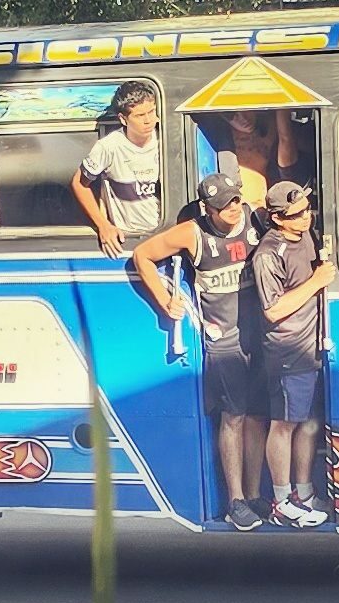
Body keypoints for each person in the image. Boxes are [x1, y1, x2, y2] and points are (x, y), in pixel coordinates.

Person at [131, 170, 269, 530]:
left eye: (236, 200)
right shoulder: (193, 233)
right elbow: (142, 255)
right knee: (233, 418)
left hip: (258, 335)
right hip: (223, 341)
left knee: (257, 416)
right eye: (224, 205)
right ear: (208, 209)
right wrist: (164, 300)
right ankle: (235, 501)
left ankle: (255, 494)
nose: (233, 208)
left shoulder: (253, 217)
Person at [251, 179, 335, 527]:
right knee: (284, 424)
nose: (306, 218)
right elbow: (272, 310)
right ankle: (281, 500)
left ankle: (304, 491)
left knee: (308, 423)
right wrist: (316, 282)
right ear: (276, 218)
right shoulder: (268, 254)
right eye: (297, 214)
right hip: (287, 349)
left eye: (307, 210)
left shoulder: (307, 235)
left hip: (312, 345)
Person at [72, 79, 162, 257]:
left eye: (151, 112)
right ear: (123, 119)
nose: (148, 120)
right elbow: (79, 184)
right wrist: (103, 225)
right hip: (129, 240)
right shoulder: (109, 147)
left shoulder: (165, 139)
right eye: (140, 115)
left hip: (163, 234)